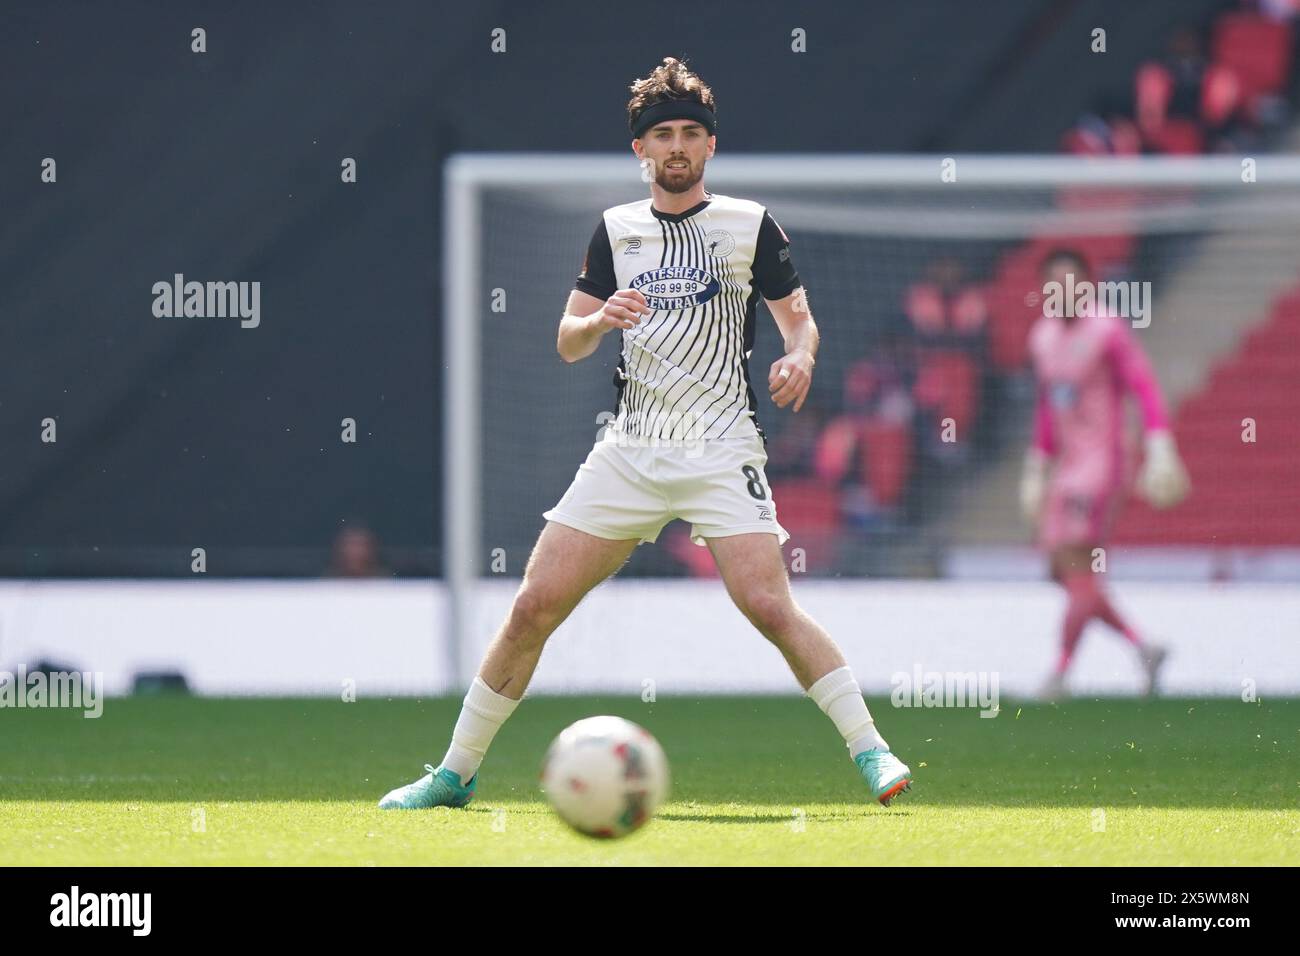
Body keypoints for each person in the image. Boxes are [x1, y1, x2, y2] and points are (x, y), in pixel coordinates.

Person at [379, 56, 913, 810]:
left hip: (722, 446)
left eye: (691, 133)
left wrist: (801, 356)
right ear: (640, 149)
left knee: (768, 605)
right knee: (534, 607)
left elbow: (799, 320)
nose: (677, 146)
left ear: (710, 147)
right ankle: (454, 773)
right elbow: (567, 339)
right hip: (631, 449)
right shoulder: (616, 232)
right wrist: (600, 319)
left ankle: (873, 752)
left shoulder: (749, 226)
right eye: (662, 134)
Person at [1020, 249, 1190, 700]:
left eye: (1072, 281)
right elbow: (1047, 407)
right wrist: (1037, 465)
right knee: (1067, 573)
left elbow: (1143, 384)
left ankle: (1059, 674)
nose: (1065, 290)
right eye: (1054, 283)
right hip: (1067, 468)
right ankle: (1144, 647)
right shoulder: (1041, 338)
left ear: (1088, 285)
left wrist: (1159, 443)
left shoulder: (1106, 331)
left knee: (1077, 566)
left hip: (1100, 468)